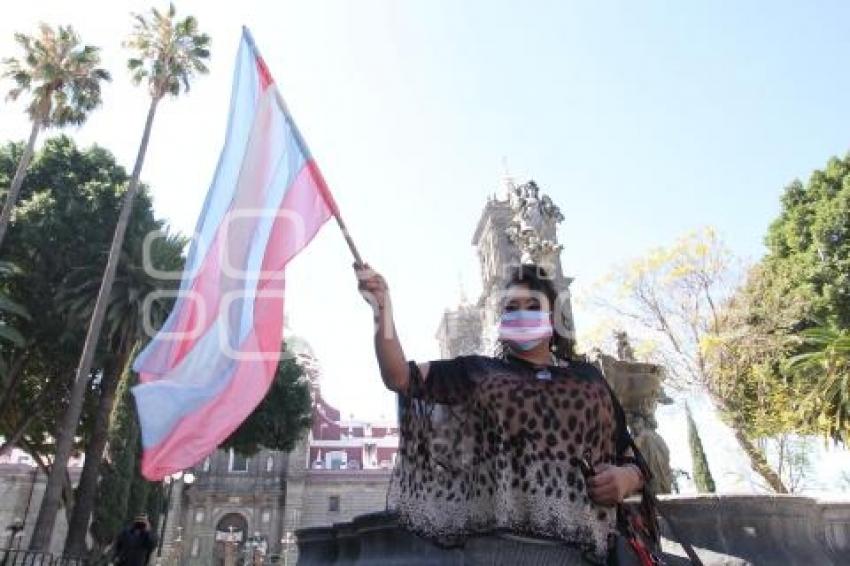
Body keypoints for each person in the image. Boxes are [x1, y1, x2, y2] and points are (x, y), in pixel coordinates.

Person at [355, 263, 649, 564]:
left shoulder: (589, 378)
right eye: (511, 308)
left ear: (552, 316)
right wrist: (382, 311)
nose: (522, 313)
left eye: (533, 305)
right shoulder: (477, 372)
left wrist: (625, 477)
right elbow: (400, 377)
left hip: (587, 552)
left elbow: (631, 456)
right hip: (500, 551)